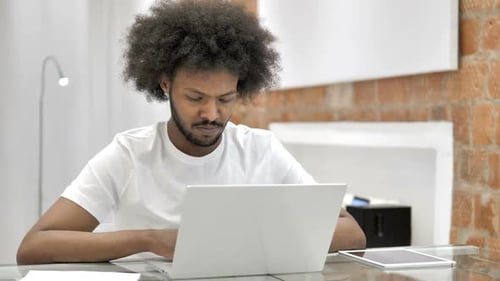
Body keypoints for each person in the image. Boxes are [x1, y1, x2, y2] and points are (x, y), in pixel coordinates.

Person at [17, 0, 366, 265]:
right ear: (166, 84)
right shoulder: (130, 153)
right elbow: (34, 248)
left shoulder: (260, 148)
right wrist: (152, 240)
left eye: (225, 99)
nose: (211, 114)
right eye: (195, 97)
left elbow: (352, 233)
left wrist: (245, 239)